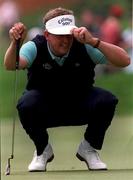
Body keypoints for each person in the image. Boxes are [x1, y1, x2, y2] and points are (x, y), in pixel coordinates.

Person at [4, 7, 130, 172]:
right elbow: (11, 65)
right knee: (26, 103)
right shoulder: (35, 46)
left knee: (107, 100)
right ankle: (42, 150)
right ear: (47, 35)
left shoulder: (85, 45)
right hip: (45, 107)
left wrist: (93, 41)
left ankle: (88, 148)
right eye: (59, 35)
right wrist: (15, 43)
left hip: (79, 103)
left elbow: (124, 61)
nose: (65, 40)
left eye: (68, 35)